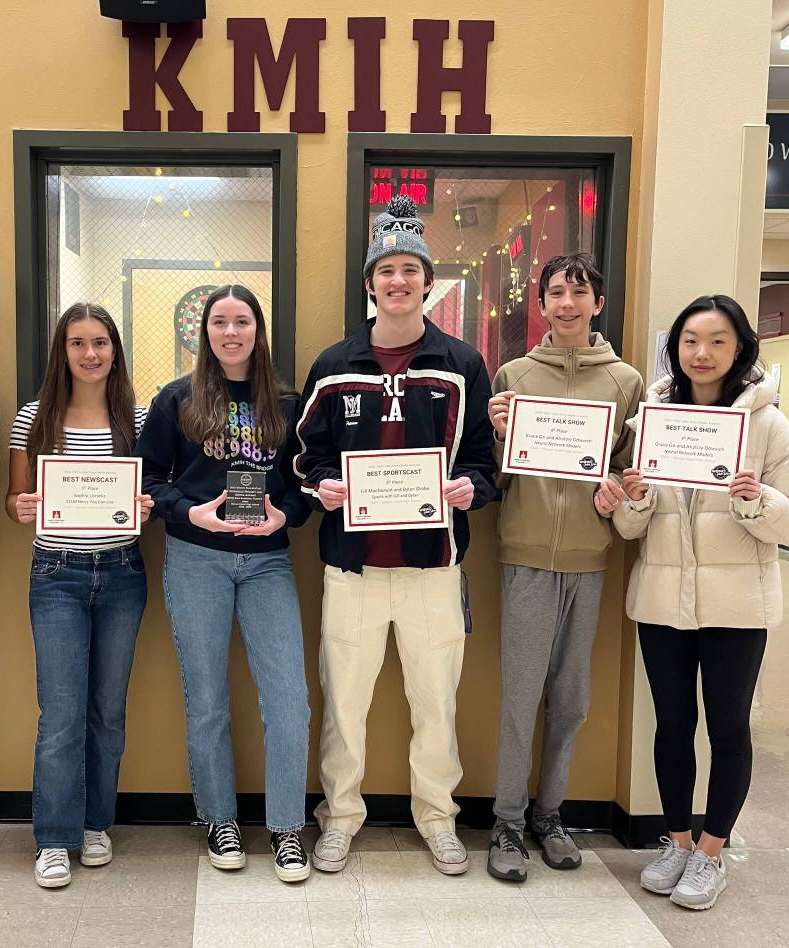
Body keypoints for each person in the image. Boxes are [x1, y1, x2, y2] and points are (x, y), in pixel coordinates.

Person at [294, 195, 498, 876]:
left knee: (435, 702)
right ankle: (340, 817)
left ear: (426, 282)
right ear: (369, 283)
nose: (398, 281)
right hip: (351, 566)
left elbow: (483, 460)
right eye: (387, 271)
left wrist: (472, 487)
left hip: (432, 566)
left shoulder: (461, 363)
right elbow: (307, 456)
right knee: (343, 703)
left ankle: (438, 818)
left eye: (411, 269)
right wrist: (321, 487)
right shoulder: (334, 364)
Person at [613, 294, 789, 910]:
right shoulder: (653, 418)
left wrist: (755, 500)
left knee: (727, 730)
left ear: (740, 347)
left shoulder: (768, 423)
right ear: (675, 347)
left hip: (737, 607)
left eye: (718, 340)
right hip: (663, 602)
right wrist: (635, 496)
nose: (702, 353)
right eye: (691, 340)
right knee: (672, 726)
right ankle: (675, 841)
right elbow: (628, 528)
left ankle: (711, 852)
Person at [136, 284, 312, 883]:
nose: (231, 333)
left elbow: (302, 486)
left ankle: (287, 826)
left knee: (289, 699)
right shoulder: (176, 400)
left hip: (267, 563)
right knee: (206, 697)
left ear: (258, 330)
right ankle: (220, 820)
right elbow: (150, 479)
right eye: (219, 323)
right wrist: (190, 513)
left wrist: (285, 514)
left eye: (242, 321)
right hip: (195, 559)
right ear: (203, 332)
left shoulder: (286, 404)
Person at [485, 253, 644, 882]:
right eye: (556, 292)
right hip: (524, 554)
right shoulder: (514, 374)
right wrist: (500, 435)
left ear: (597, 303)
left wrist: (617, 490)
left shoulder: (625, 382)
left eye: (579, 292)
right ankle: (506, 821)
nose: (568, 303)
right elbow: (495, 476)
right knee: (521, 696)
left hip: (589, 558)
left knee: (572, 699)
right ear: (542, 304)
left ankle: (550, 815)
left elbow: (634, 475)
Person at [6, 303, 152, 888]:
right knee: (61, 714)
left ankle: (96, 825)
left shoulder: (137, 420)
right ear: (61, 352)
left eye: (100, 342)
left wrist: (148, 505)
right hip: (56, 576)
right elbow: (16, 502)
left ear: (115, 350)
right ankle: (55, 837)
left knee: (107, 713)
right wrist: (21, 507)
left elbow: (156, 492)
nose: (90, 354)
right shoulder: (32, 417)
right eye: (77, 343)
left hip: (122, 574)